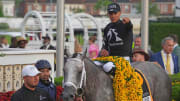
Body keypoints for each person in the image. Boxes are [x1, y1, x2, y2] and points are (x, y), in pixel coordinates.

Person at [94, 2, 133, 74]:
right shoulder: (107, 28)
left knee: (107, 67)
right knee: (94, 64)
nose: (113, 16)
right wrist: (104, 49)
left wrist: (128, 22)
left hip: (124, 58)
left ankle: (118, 84)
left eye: (115, 13)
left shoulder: (125, 24)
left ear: (120, 13)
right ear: (108, 14)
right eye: (111, 13)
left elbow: (129, 26)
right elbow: (105, 44)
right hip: (111, 58)